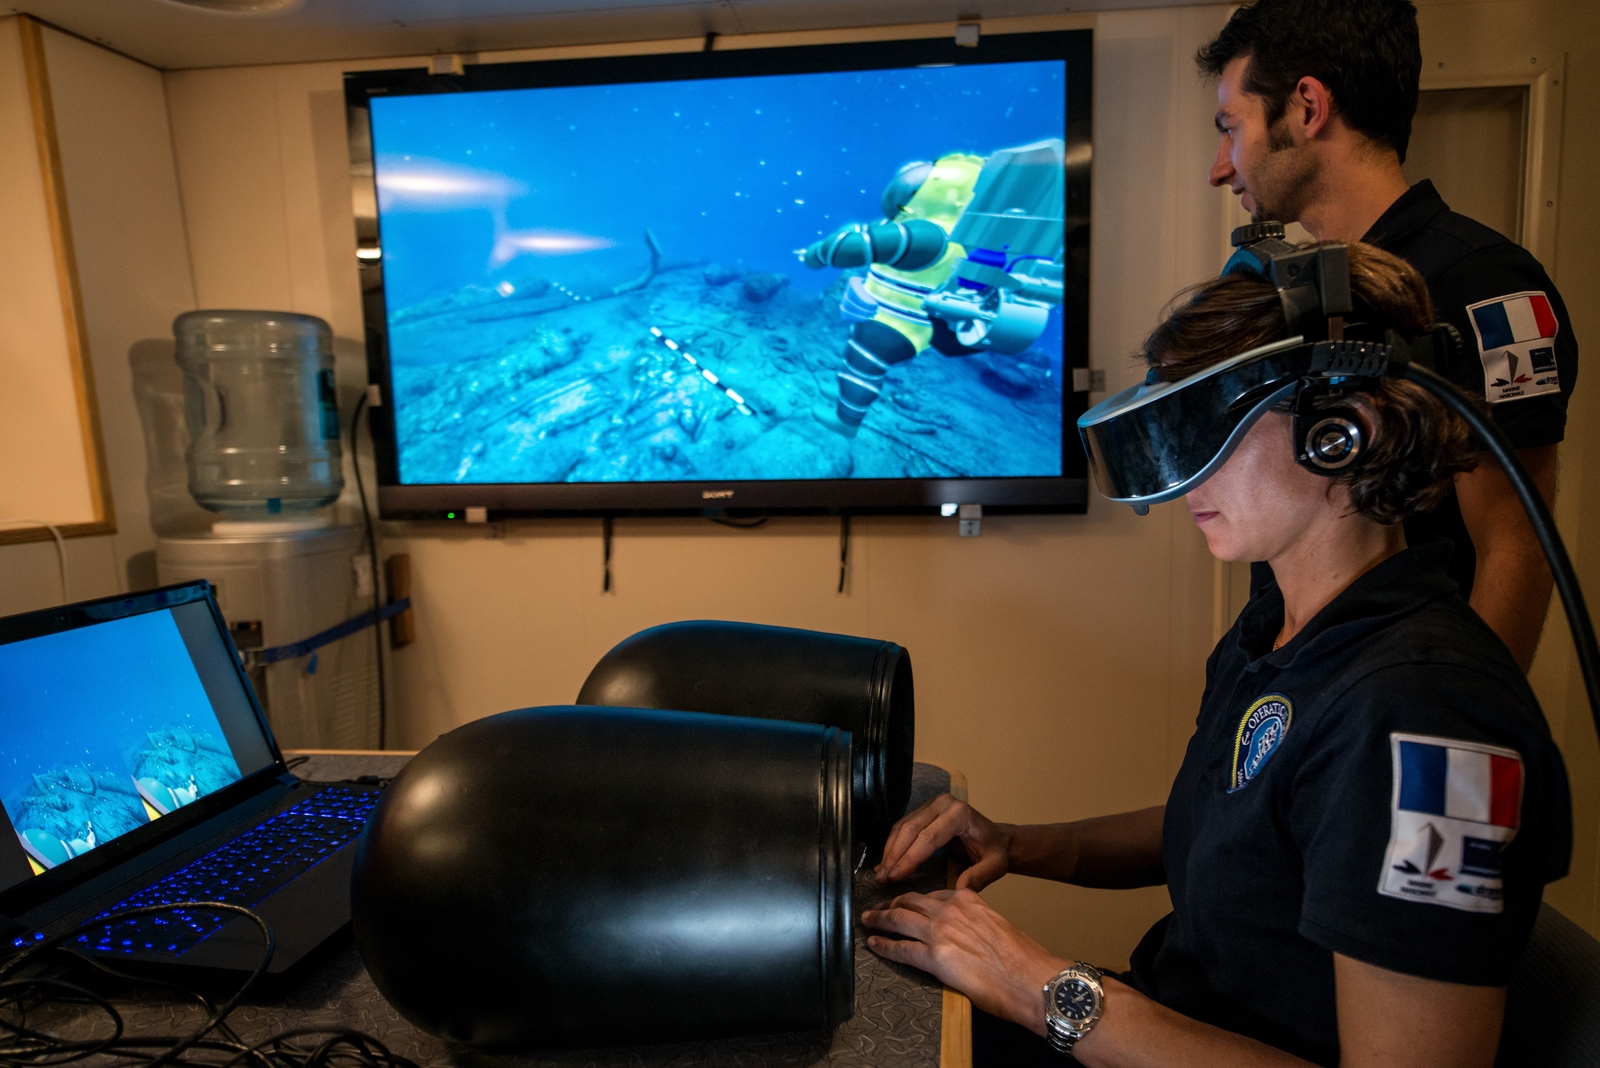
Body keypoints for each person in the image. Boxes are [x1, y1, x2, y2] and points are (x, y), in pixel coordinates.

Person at [859, 243, 1572, 1067]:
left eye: (1208, 426)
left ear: (1343, 431)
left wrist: (1040, 985)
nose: (1180, 468)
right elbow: (1230, 828)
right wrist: (1015, 844)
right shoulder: (1282, 628)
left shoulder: (1427, 711)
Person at [1198, 0, 1578, 672]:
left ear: (1307, 107)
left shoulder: (1480, 282)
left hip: (1400, 697)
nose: (1221, 167)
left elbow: (1513, 545)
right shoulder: (1296, 294)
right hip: (1297, 686)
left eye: (1232, 128)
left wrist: (1459, 725)